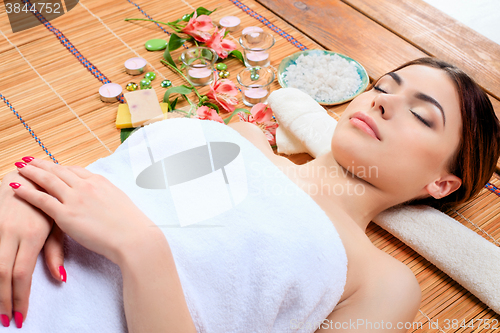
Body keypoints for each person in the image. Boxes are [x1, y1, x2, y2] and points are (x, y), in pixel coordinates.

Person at [0, 57, 499, 332]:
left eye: (420, 113)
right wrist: (24, 193)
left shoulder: (382, 280)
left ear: (442, 183)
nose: (385, 102)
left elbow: (128, 226)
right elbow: (101, 184)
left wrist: (142, 251)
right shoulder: (245, 136)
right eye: (385, 85)